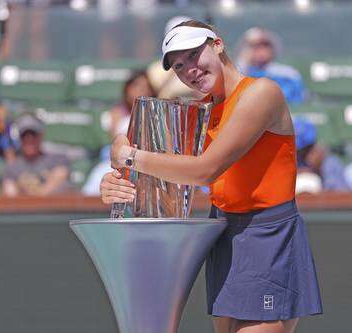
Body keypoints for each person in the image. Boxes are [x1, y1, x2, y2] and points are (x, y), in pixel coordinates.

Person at [100, 20, 322, 333]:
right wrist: (116, 178)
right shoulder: (201, 110)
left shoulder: (262, 92)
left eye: (193, 54)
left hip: (268, 235)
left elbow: (206, 168)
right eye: (178, 65)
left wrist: (129, 156)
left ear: (217, 44)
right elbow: (142, 159)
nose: (188, 69)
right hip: (224, 233)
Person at [2, 113, 72, 196]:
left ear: (41, 136)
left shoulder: (58, 160)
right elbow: (10, 194)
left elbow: (60, 175)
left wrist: (37, 193)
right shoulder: (12, 168)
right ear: (19, 138)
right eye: (24, 135)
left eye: (33, 134)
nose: (29, 139)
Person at [236, 27, 306, 105]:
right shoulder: (240, 72)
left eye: (266, 45)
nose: (261, 50)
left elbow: (296, 99)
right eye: (256, 46)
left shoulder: (288, 74)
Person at [293, 117, 349, 193]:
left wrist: (318, 169)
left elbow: (340, 195)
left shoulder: (330, 163)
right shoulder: (291, 159)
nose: (302, 152)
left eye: (307, 148)